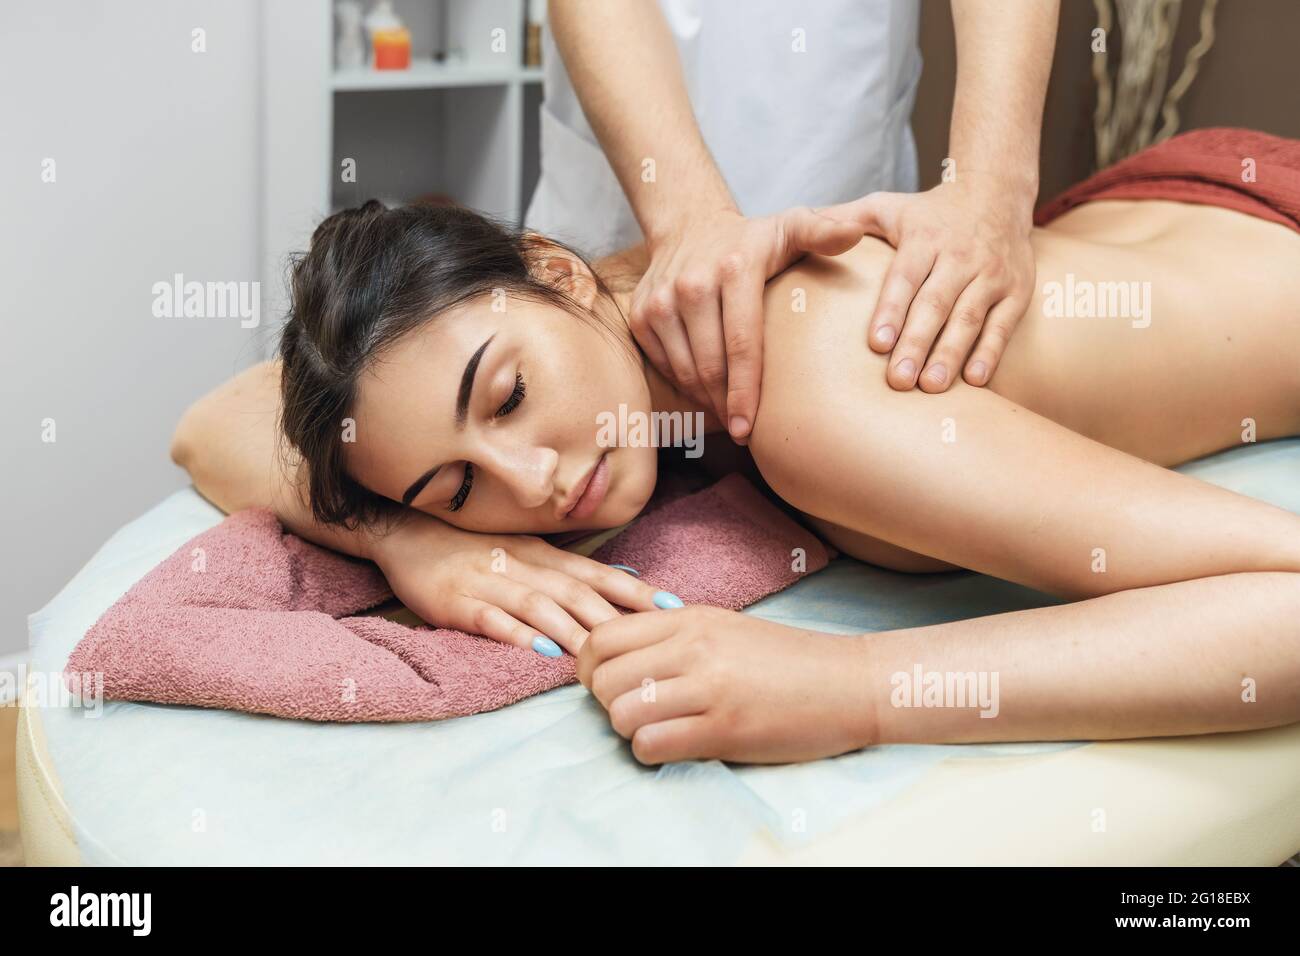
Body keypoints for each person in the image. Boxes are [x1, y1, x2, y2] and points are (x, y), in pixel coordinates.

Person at [172, 161, 1300, 764]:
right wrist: (415, 542)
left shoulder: (805, 393)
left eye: (508, 395)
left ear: (556, 273)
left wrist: (853, 689)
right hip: (1150, 216)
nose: (533, 487)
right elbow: (213, 419)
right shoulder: (625, 302)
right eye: (459, 484)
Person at [528, 0, 1059, 444]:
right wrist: (688, 222)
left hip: (847, 247)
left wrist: (993, 190)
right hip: (620, 234)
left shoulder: (835, 411)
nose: (532, 477)